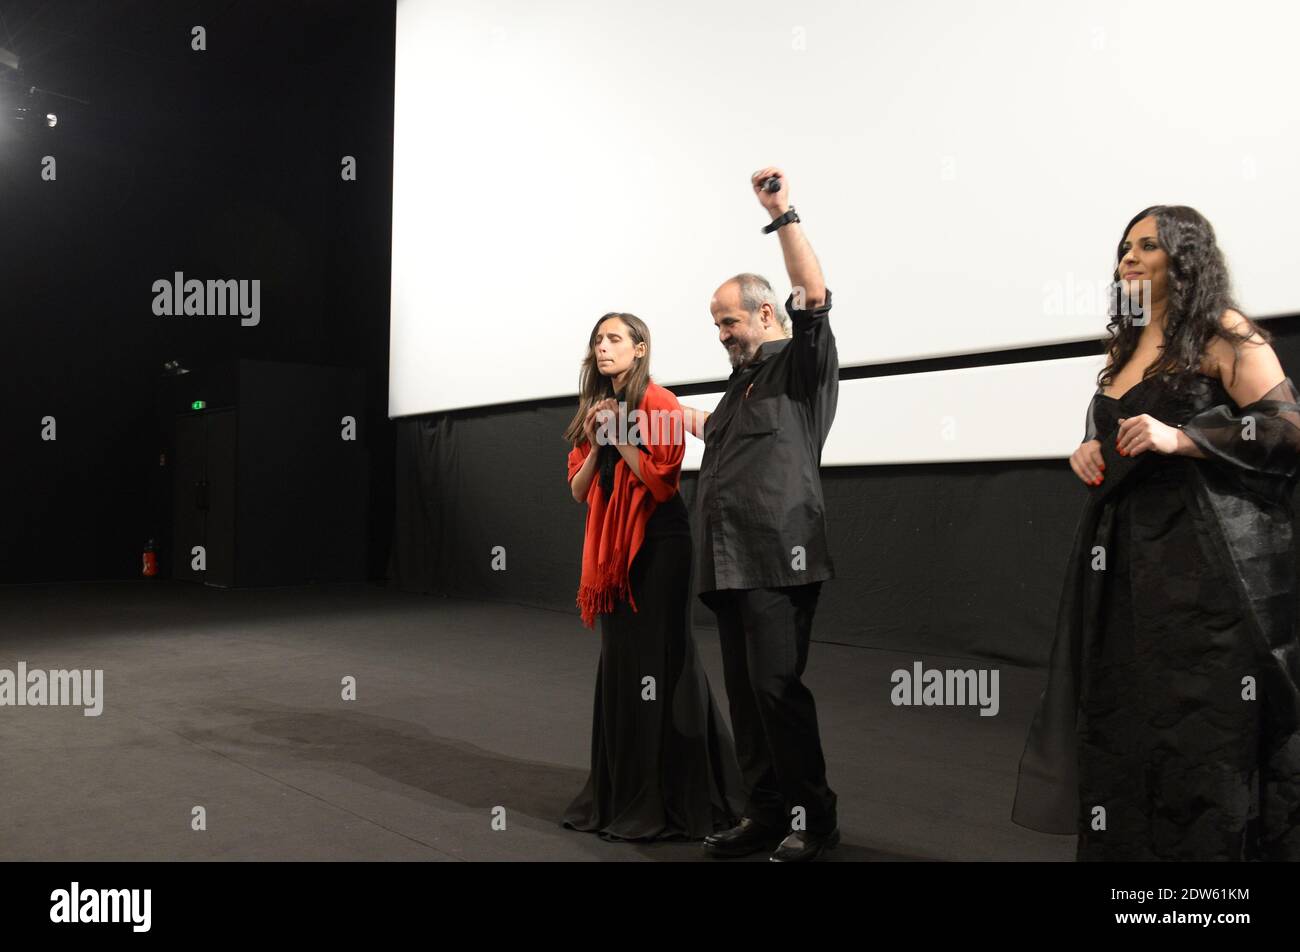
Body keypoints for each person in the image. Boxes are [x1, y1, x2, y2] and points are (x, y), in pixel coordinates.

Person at [1013, 205, 1300, 860]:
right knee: (1127, 716)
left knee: (1198, 728)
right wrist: (1088, 449)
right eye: (1124, 248)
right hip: (1123, 567)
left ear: (1186, 258)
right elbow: (1114, 433)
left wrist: (1186, 436)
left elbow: (1287, 429)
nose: (1129, 259)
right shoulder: (1125, 347)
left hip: (1206, 568)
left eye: (1148, 246)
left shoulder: (1223, 332)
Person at [679, 168, 841, 862]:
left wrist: (782, 213)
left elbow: (814, 295)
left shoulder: (797, 367)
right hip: (726, 560)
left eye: (729, 320)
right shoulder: (738, 391)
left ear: (766, 315)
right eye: (716, 323)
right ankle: (767, 813)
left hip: (780, 556)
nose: (721, 333)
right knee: (746, 696)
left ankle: (815, 819)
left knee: (776, 690)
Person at [561, 311, 743, 841]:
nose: (603, 347)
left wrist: (618, 437)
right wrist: (596, 442)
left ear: (640, 348)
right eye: (598, 339)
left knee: (662, 662)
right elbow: (578, 490)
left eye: (615, 338)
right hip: (611, 559)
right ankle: (620, 793)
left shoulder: (658, 403)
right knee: (622, 664)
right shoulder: (593, 408)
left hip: (659, 548)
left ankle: (676, 795)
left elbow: (661, 486)